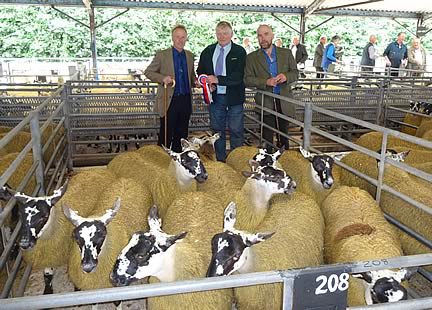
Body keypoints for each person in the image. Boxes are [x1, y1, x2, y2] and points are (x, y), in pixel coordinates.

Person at [197, 21, 246, 162]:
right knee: (217, 132)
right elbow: (201, 71)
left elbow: (239, 76)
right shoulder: (208, 51)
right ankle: (220, 161)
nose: (222, 36)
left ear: (231, 34)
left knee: (236, 131)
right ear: (216, 34)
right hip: (216, 97)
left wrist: (218, 80)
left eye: (225, 33)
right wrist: (207, 83)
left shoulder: (240, 51)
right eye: (219, 33)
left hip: (234, 98)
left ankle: (237, 160)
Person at [244, 24, 298, 150]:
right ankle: (267, 163)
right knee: (267, 136)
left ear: (272, 35)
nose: (263, 38)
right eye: (259, 36)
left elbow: (295, 73)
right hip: (265, 102)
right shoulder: (252, 58)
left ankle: (284, 162)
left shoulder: (286, 53)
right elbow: (247, 79)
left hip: (284, 100)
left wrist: (286, 76)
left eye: (266, 34)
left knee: (284, 135)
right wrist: (265, 82)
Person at [144, 25, 195, 152]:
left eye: (183, 37)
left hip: (185, 100)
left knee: (182, 134)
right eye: (177, 37)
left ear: (186, 38)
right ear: (172, 37)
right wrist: (162, 78)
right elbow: (148, 72)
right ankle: (161, 162)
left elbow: (191, 76)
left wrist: (197, 82)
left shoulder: (189, 56)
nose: (180, 40)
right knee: (166, 134)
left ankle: (178, 162)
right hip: (169, 100)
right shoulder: (162, 55)